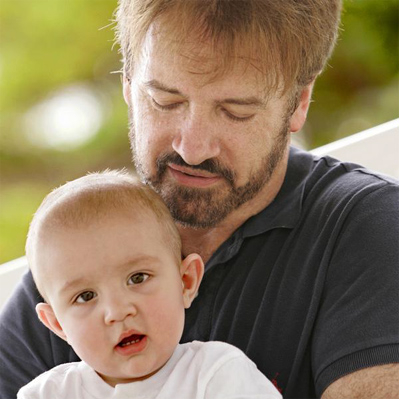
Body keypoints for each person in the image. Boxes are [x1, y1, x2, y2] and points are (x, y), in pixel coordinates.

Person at [1, 1, 398, 398]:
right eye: (165, 101)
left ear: (299, 104)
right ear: (126, 81)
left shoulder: (367, 230)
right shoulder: (75, 248)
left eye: (235, 111)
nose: (192, 148)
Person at [16, 170, 281, 399]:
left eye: (137, 278)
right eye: (85, 296)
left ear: (185, 281)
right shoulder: (47, 394)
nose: (118, 311)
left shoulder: (217, 374)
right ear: (57, 324)